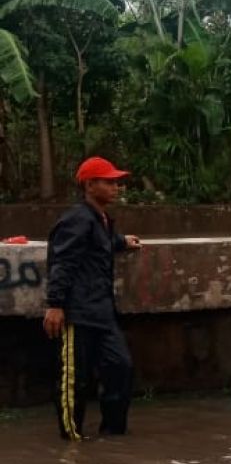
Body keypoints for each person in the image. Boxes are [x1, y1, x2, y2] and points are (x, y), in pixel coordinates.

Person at [43, 156, 143, 441]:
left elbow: (100, 245)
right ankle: (71, 444)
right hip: (77, 312)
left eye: (116, 182)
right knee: (74, 382)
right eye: (109, 182)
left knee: (120, 368)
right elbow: (62, 262)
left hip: (102, 311)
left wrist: (122, 242)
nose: (116, 187)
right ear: (90, 185)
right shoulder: (77, 218)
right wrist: (55, 304)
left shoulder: (100, 220)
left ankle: (113, 435)